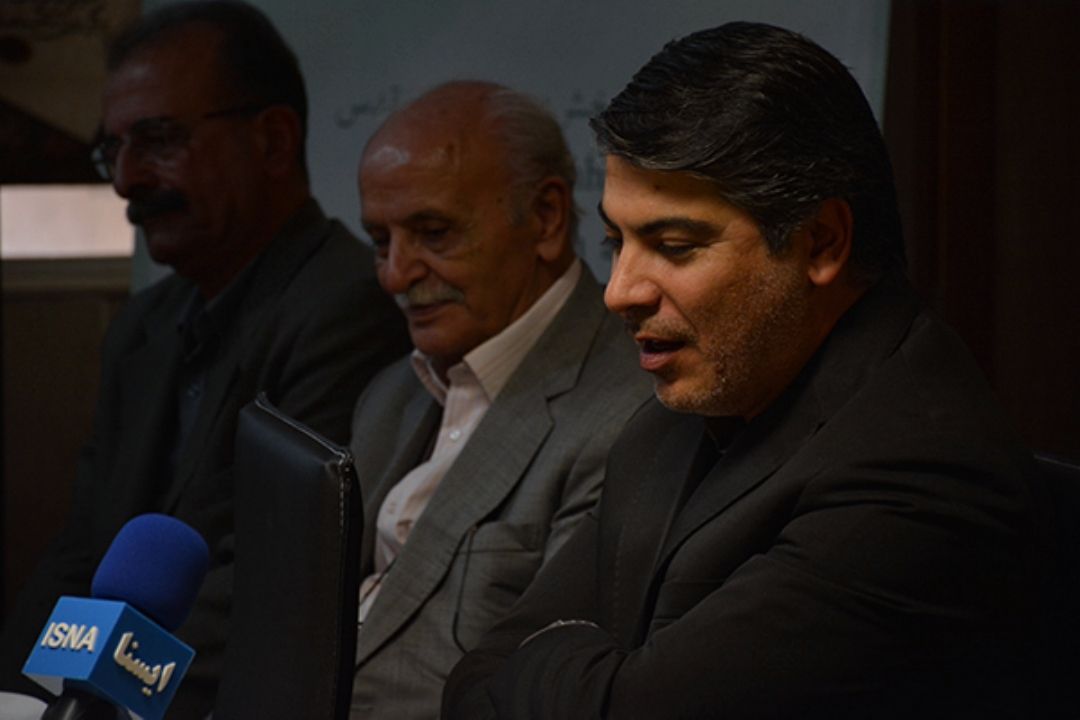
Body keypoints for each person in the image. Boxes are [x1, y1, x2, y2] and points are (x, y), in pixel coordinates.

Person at [443, 22, 1045, 719]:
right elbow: (473, 679)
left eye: (673, 245)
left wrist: (566, 659)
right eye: (614, 242)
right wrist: (598, 667)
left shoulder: (923, 477)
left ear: (821, 242)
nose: (619, 291)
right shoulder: (688, 409)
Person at [0, 3, 408, 716]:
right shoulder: (144, 324)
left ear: (273, 140)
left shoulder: (345, 307)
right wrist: (19, 693)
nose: (126, 179)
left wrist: (96, 699)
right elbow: (81, 549)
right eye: (112, 149)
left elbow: (275, 587)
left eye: (157, 140)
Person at [347, 81, 652, 719]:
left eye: (434, 233)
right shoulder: (389, 394)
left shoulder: (631, 412)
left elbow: (537, 688)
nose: (396, 274)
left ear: (545, 218)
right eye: (379, 242)